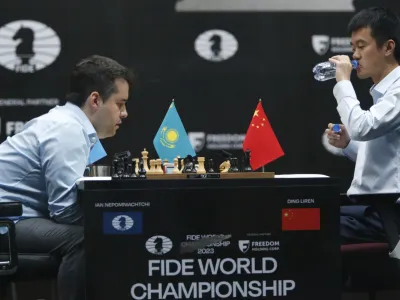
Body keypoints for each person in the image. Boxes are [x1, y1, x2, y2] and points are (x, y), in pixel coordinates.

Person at [0, 55, 133, 300]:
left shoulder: (68, 123)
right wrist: (113, 217)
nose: (124, 113)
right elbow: (63, 210)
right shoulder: (66, 129)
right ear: (95, 99)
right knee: (85, 237)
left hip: (17, 216)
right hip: (6, 220)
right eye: (120, 103)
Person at [324, 7, 400, 244]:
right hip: (368, 208)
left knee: (312, 228)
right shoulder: (382, 92)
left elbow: (362, 128)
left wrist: (344, 83)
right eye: (352, 47)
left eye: (361, 46)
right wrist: (348, 144)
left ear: (388, 47)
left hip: (387, 213)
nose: (354, 55)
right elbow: (386, 159)